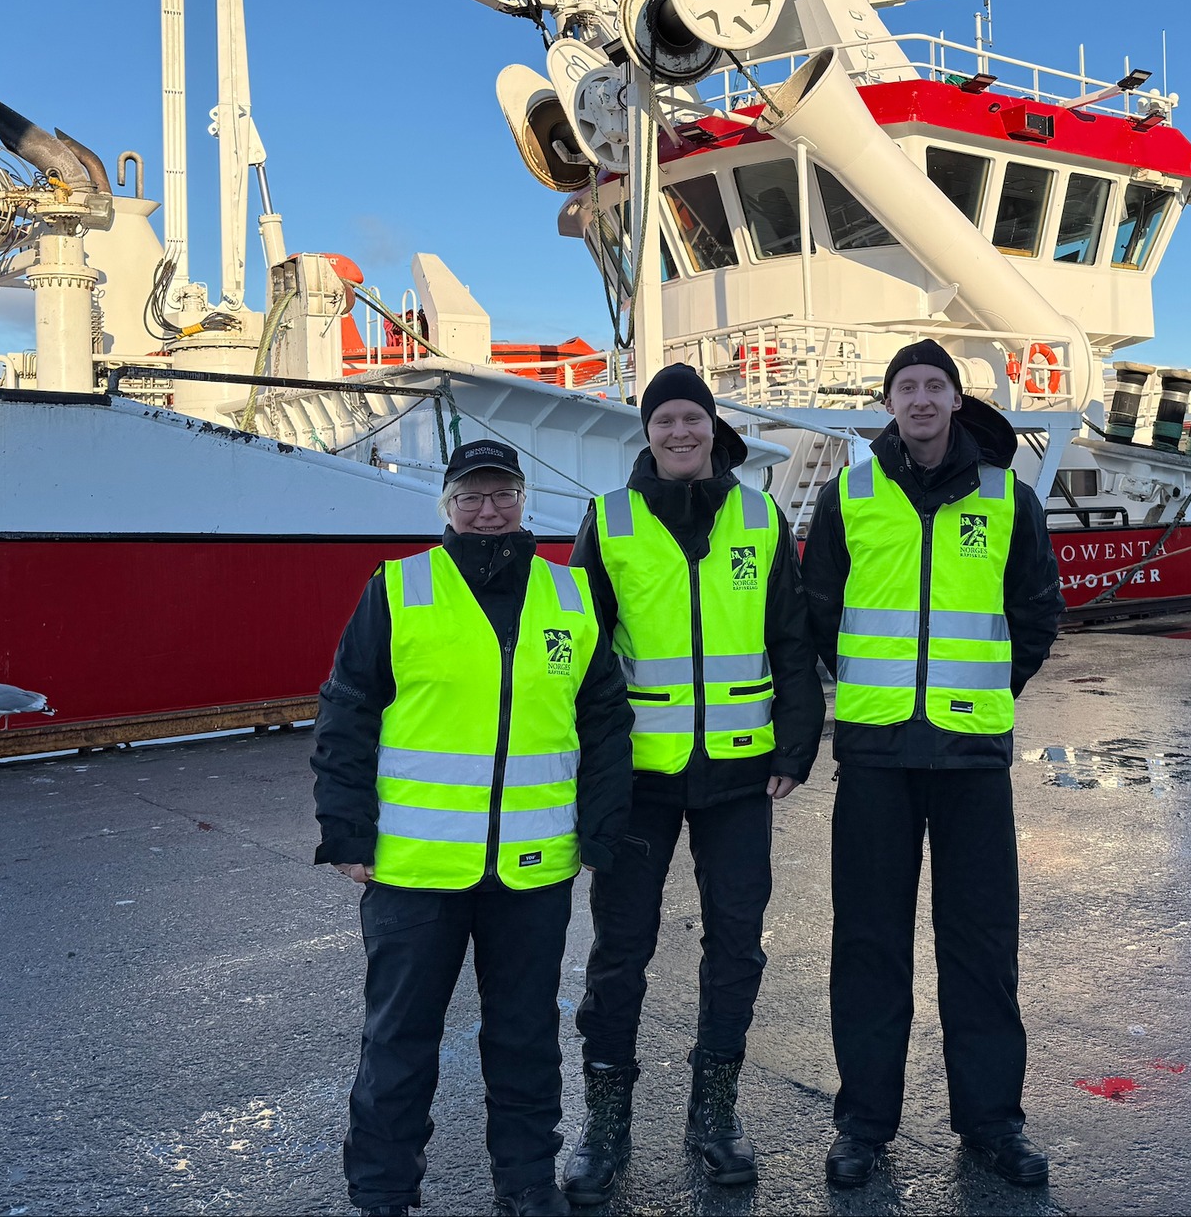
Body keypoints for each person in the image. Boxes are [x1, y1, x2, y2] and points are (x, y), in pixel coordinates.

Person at [311, 439, 634, 1217]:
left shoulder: (571, 596)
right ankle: (383, 1193)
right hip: (413, 870)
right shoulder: (398, 589)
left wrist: (602, 828)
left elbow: (605, 724)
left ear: (525, 500)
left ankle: (525, 1184)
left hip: (532, 870)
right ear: (447, 506)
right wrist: (346, 831)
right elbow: (346, 711)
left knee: (525, 1041)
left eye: (503, 495)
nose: (489, 511)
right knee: (398, 1042)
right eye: (472, 497)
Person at [800, 339, 1064, 1189]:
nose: (919, 399)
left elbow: (1035, 611)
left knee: (982, 948)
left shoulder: (1008, 497)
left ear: (956, 399)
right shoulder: (850, 495)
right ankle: (863, 1126)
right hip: (875, 754)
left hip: (971, 760)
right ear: (889, 403)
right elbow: (819, 611)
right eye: (905, 387)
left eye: (933, 386)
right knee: (869, 945)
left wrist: (986, 688)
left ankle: (991, 1124)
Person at [562, 364, 825, 1203]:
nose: (680, 432)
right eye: (665, 419)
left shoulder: (761, 515)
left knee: (737, 943)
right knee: (621, 949)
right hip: (640, 778)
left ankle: (714, 1111)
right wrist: (590, 772)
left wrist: (795, 746)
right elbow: (584, 659)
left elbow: (792, 640)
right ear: (647, 431)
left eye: (693, 418)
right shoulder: (608, 522)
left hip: (742, 775)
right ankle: (606, 1121)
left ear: (714, 428)